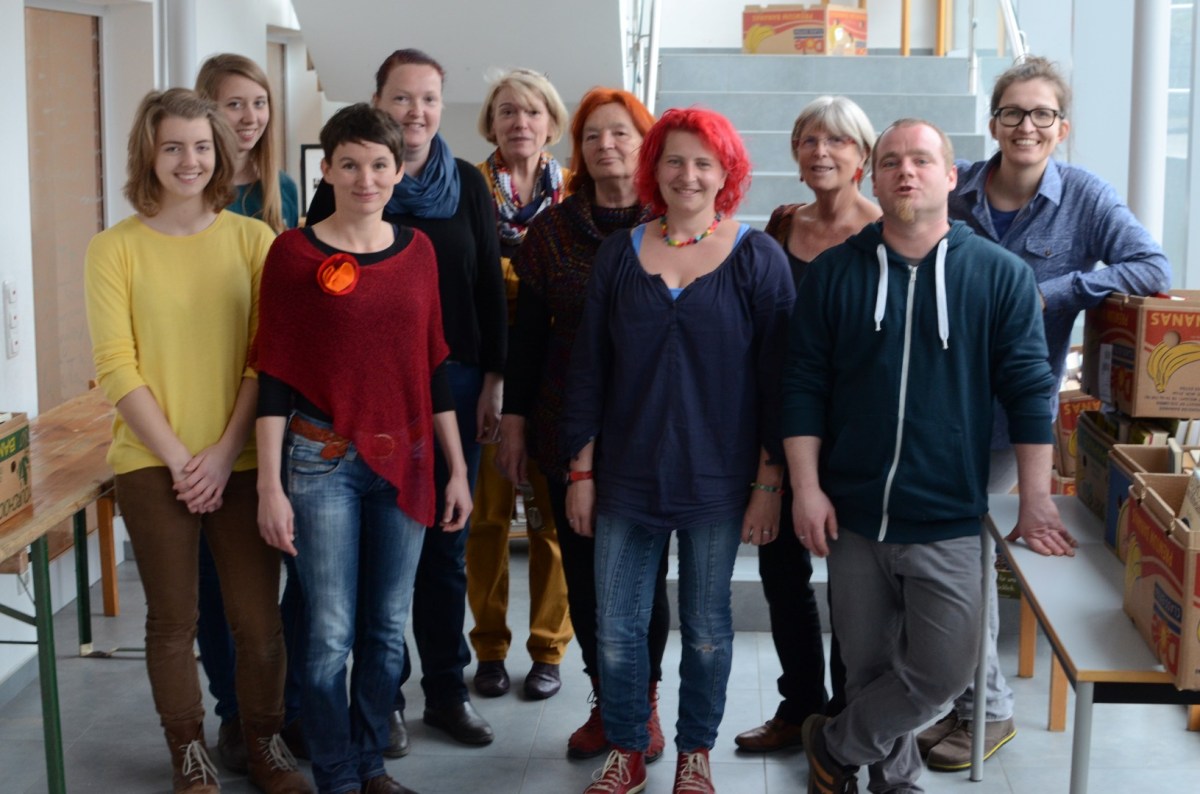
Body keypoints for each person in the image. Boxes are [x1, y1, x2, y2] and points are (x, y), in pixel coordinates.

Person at [783, 118, 1069, 794]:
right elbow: (801, 388)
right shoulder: (834, 274)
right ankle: (895, 781)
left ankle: (835, 743)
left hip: (949, 517)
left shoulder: (999, 276)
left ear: (950, 176)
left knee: (945, 670)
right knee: (867, 668)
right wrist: (806, 488)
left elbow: (1030, 393)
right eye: (890, 162)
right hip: (854, 516)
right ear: (874, 178)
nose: (905, 172)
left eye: (920, 160)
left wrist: (1035, 498)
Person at [920, 55, 1172, 771]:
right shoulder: (956, 187)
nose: (1025, 126)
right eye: (1012, 112)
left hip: (1009, 418)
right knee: (941, 557)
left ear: (1062, 128)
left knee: (961, 558)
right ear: (993, 121)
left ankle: (988, 709)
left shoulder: (1084, 198)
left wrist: (1050, 292)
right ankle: (952, 701)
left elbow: (1152, 266)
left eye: (1041, 114)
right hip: (930, 404)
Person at [84, 87, 310, 794]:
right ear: (148, 155)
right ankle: (189, 754)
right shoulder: (113, 248)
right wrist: (184, 460)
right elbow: (116, 367)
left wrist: (220, 453)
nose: (190, 160)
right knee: (172, 622)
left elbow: (264, 359)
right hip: (153, 462)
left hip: (241, 459)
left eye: (202, 147)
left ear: (221, 153)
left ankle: (265, 743)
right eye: (173, 147)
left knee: (258, 622)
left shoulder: (253, 241)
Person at [563, 107, 795, 794]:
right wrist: (580, 470)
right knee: (617, 628)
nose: (687, 174)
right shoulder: (620, 253)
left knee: (707, 629)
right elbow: (589, 369)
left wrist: (769, 483)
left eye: (703, 162)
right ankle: (627, 748)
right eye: (673, 160)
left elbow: (780, 383)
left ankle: (696, 752)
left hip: (717, 481)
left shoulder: (757, 256)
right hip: (624, 477)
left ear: (726, 173)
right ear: (653, 170)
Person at [254, 102, 473, 794]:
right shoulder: (293, 254)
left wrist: (458, 470)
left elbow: (433, 365)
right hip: (320, 461)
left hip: (407, 458)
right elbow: (274, 375)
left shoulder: (418, 253)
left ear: (399, 170)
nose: (366, 178)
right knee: (328, 632)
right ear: (326, 169)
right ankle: (336, 775)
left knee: (385, 627)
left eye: (380, 164)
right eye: (349, 164)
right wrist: (268, 486)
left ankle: (371, 763)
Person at [305, 48, 505, 753]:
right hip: (370, 396)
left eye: (428, 99)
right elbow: (317, 288)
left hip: (453, 387)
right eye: (401, 97)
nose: (415, 111)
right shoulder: (351, 182)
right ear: (378, 102)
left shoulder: (468, 185)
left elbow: (488, 286)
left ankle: (446, 692)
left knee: (445, 547)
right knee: (375, 556)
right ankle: (381, 699)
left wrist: (494, 380)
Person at [495, 87, 671, 762]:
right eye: (593, 135)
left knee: (644, 578)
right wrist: (514, 422)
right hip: (564, 426)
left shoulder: (671, 222)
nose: (606, 146)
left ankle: (644, 702)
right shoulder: (552, 232)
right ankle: (607, 699)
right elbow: (527, 340)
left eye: (621, 133)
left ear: (645, 143)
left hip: (651, 429)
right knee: (587, 575)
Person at [734, 95, 879, 754]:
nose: (822, 152)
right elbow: (760, 337)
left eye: (838, 141)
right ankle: (800, 706)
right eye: (809, 140)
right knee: (781, 577)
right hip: (781, 426)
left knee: (854, 586)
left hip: (855, 437)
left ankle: (847, 714)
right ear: (795, 153)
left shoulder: (885, 233)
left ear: (862, 156)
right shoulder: (780, 225)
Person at [194, 52, 306, 772]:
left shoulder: (280, 190)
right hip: (204, 403)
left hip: (274, 400)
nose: (249, 117)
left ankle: (277, 706)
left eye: (259, 103)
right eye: (234, 103)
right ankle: (233, 713)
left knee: (279, 570)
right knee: (214, 578)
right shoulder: (185, 190)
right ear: (204, 108)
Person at [466, 67, 573, 701]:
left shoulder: (575, 194)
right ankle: (489, 648)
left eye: (532, 112)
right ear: (491, 123)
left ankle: (548, 649)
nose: (520, 123)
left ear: (552, 124)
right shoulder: (468, 190)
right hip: (486, 375)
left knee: (550, 523)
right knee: (485, 519)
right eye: (507, 111)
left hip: (556, 378)